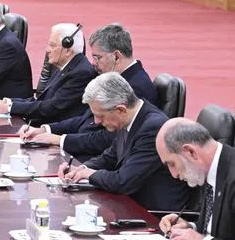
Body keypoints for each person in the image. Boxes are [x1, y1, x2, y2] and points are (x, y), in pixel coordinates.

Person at [59, 73, 193, 212]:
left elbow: (123, 181)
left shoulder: (153, 128)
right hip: (131, 203)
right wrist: (81, 169)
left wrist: (89, 174)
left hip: (154, 214)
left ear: (121, 109)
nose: (96, 121)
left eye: (100, 116)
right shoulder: (128, 119)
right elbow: (110, 157)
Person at [18, 24, 154, 159]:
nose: (93, 63)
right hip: (85, 146)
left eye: (97, 57)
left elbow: (111, 139)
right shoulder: (115, 78)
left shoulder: (135, 87)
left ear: (116, 56)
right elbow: (85, 119)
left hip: (97, 156)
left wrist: (60, 140)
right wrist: (45, 129)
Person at [0, 23, 96, 124]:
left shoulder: (81, 73)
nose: (47, 50)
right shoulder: (67, 66)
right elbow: (41, 101)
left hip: (55, 132)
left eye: (52, 45)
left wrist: (7, 108)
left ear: (68, 50)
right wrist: (5, 102)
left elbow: (51, 107)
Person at [156, 118, 235, 240]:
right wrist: (190, 227)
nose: (173, 174)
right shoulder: (209, 170)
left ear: (191, 152)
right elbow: (221, 228)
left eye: (172, 164)